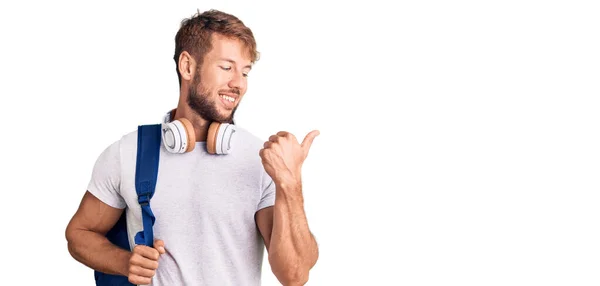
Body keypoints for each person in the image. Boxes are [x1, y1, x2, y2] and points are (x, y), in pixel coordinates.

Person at [65, 9, 319, 286]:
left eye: (245, 72)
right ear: (187, 66)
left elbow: (294, 275)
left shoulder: (261, 159)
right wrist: (124, 262)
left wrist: (290, 184)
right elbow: (79, 233)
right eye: (226, 67)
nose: (239, 83)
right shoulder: (129, 153)